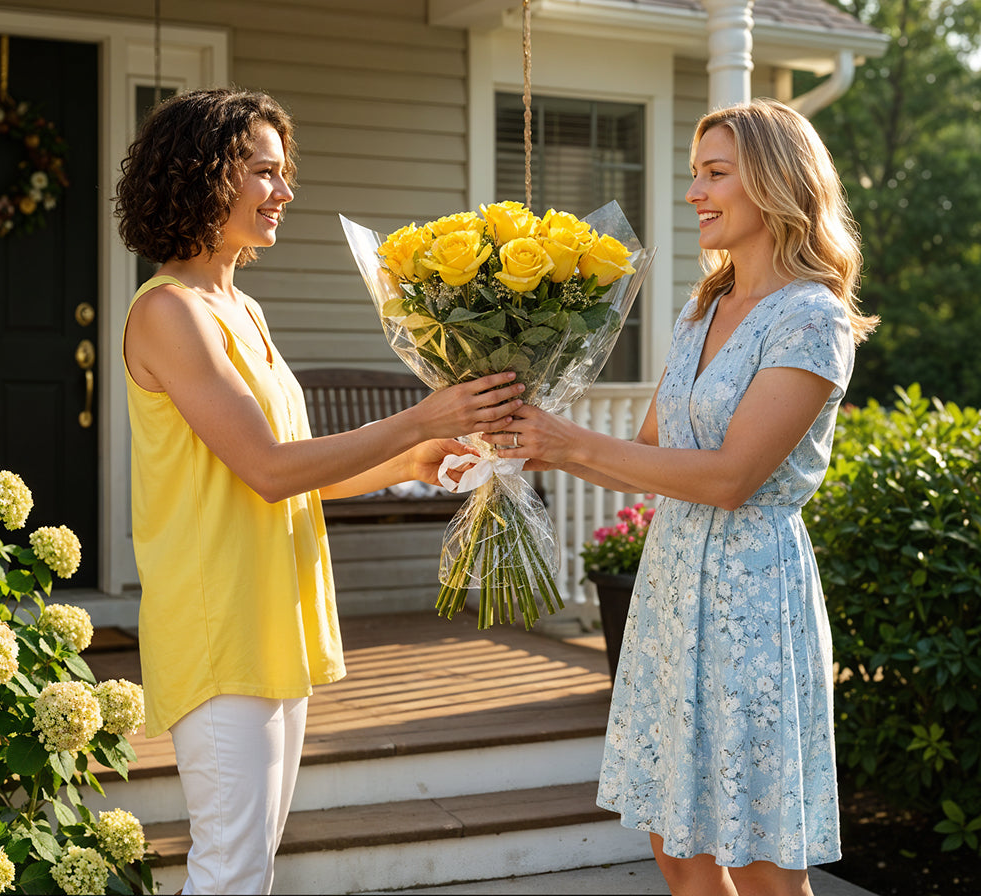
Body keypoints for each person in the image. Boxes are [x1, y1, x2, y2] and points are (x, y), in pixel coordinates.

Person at [114, 87, 523, 896]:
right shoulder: (170, 313)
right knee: (229, 868)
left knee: (251, 866)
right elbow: (268, 468)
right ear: (203, 177)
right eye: (264, 172)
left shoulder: (244, 308)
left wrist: (411, 462)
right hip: (219, 619)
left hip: (274, 614)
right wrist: (419, 416)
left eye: (284, 172)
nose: (284, 192)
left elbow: (298, 472)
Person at [494, 98, 877, 896]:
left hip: (752, 596)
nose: (696, 192)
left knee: (764, 860)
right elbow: (645, 458)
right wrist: (530, 437)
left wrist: (572, 442)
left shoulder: (812, 318)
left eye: (714, 174)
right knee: (674, 838)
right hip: (670, 588)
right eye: (693, 176)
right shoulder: (702, 306)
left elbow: (734, 477)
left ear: (773, 182)